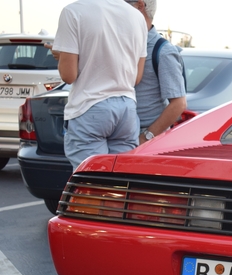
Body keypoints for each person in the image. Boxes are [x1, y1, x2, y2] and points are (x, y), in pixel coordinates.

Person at [51, 0, 147, 170]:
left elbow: (68, 75)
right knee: (120, 180)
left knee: (90, 184)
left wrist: (62, 56)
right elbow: (136, 78)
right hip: (126, 109)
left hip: (90, 106)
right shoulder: (137, 17)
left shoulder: (73, 11)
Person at [126, 0, 186, 144]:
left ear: (140, 6)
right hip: (122, 135)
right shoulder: (123, 44)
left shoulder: (163, 51)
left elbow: (178, 103)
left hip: (144, 138)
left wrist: (145, 138)